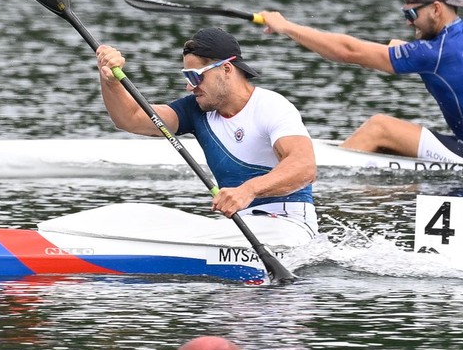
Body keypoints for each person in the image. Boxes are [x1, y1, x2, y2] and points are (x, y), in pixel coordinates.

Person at [259, 0, 463, 164]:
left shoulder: (435, 54)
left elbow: (348, 51)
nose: (409, 23)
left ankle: (312, 179)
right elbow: (455, 64)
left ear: (435, 8)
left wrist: (287, 27)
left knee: (379, 127)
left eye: (412, 14)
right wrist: (404, 52)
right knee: (385, 146)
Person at [95, 27, 318, 244]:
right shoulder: (196, 110)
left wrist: (248, 190)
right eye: (187, 77)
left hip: (289, 225)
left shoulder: (271, 106)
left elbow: (304, 167)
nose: (189, 87)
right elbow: (131, 118)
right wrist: (111, 81)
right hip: (241, 226)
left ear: (227, 69)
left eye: (195, 76)